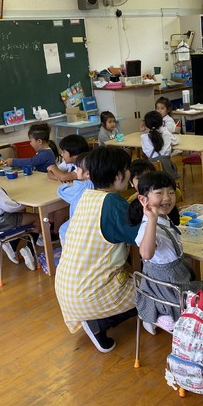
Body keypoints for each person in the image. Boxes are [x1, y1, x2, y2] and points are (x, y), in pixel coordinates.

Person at [54, 146, 140, 353]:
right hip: (88, 294)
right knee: (153, 293)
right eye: (127, 169)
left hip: (66, 286)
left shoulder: (88, 195)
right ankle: (100, 323)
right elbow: (141, 239)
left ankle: (96, 318)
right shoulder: (113, 202)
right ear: (118, 175)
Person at [129, 171, 203, 333]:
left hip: (169, 284)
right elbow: (146, 253)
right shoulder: (148, 226)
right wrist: (152, 219)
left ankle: (162, 312)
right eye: (159, 193)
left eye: (171, 192)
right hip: (173, 291)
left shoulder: (163, 218)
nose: (167, 197)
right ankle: (167, 313)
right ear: (143, 199)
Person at [57, 151, 93, 245]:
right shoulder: (99, 185)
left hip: (75, 230)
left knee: (63, 229)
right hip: (92, 229)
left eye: (78, 168)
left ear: (87, 174)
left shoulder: (80, 187)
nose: (76, 171)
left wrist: (64, 185)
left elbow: (62, 192)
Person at [140, 110, 180, 180]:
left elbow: (145, 151)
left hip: (152, 173)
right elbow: (176, 141)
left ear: (146, 124)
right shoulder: (165, 133)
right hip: (167, 171)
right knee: (174, 167)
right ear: (162, 123)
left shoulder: (144, 137)